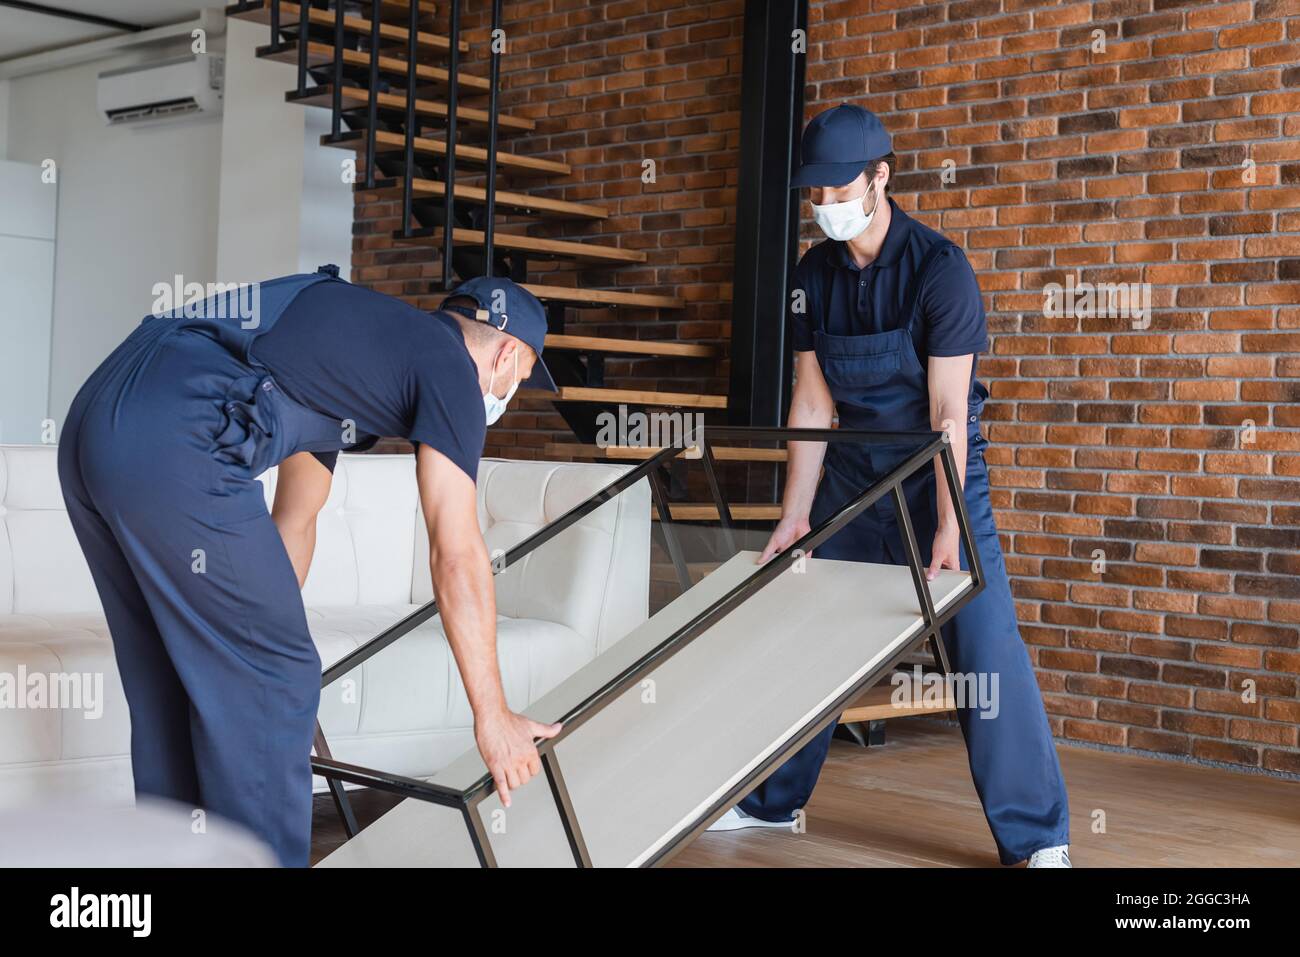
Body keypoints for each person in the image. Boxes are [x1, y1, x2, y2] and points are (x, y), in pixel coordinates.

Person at [58, 268, 561, 866]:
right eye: (520, 380)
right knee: (278, 675)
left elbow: (294, 521)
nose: (507, 397)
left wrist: (252, 645)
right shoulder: (450, 368)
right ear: (507, 353)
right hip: (173, 434)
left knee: (176, 670)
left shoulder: (351, 355)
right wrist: (493, 716)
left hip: (99, 422)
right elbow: (455, 550)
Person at [709, 105, 1072, 868]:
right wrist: (797, 517)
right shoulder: (813, 276)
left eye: (839, 189)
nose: (825, 206)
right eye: (814, 194)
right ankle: (773, 802)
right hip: (852, 478)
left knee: (983, 648)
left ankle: (1038, 838)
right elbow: (811, 401)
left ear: (882, 177)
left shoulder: (941, 271)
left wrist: (946, 524)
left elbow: (948, 412)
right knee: (810, 627)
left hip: (939, 476)